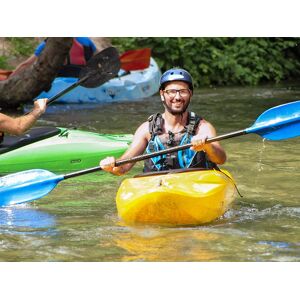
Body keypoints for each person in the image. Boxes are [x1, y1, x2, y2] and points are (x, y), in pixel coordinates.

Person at [100, 68, 226, 175]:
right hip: (158, 187)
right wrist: (112, 166)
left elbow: (220, 159)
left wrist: (208, 146)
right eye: (171, 92)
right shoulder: (146, 129)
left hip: (194, 186)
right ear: (162, 94)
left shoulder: (202, 127)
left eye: (183, 92)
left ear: (190, 94)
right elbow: (123, 168)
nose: (177, 97)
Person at [10, 37, 97, 77]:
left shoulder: (48, 42)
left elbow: (26, 64)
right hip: (83, 78)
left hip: (60, 79)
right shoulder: (87, 40)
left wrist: (9, 78)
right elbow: (99, 57)